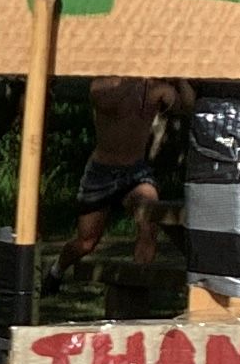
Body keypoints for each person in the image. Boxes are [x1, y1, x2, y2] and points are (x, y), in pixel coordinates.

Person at [61, 77, 188, 281]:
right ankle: (56, 270)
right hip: (102, 171)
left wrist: (177, 83)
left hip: (135, 171)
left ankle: (138, 283)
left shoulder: (156, 88)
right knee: (86, 242)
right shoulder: (104, 83)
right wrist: (133, 80)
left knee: (149, 222)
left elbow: (181, 106)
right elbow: (105, 102)